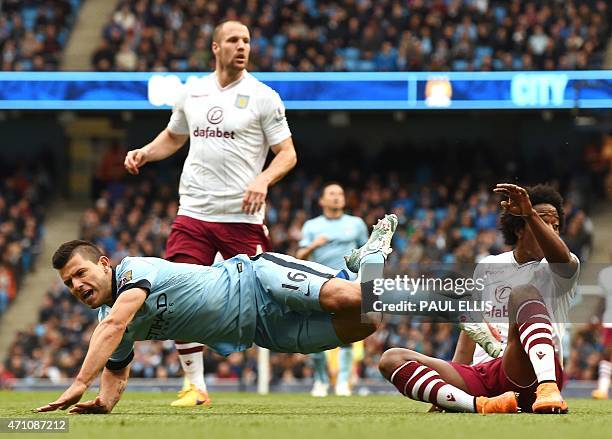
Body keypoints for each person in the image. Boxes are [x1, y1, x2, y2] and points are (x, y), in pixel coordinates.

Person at [36, 214, 402, 414]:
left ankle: (445, 300)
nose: (77, 286)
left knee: (352, 297)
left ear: (104, 264)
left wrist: (79, 382)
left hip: (258, 280)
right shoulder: (110, 322)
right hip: (262, 331)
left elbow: (115, 324)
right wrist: (102, 403)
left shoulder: (133, 272)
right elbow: (116, 371)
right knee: (369, 320)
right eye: (69, 284)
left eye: (81, 274)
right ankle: (372, 257)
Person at [123, 20, 297, 406]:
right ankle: (195, 386)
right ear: (215, 47)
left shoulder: (263, 96)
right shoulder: (193, 91)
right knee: (177, 293)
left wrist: (263, 181)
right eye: (234, 40)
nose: (242, 46)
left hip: (241, 217)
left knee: (258, 300)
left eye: (247, 41)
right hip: (194, 212)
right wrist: (145, 153)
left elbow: (287, 153)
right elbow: (174, 135)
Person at [378, 183, 579, 414]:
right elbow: (472, 326)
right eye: (545, 224)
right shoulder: (488, 266)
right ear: (519, 229)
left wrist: (531, 214)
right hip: (484, 376)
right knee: (391, 359)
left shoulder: (563, 267)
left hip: (529, 374)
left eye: (556, 227)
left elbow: (560, 258)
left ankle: (548, 389)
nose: (552, 232)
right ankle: (479, 405)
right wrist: (448, 387)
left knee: (523, 292)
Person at [297, 182, 368, 397]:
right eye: (331, 194)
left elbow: (368, 253)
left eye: (340, 193)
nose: (336, 197)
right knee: (314, 335)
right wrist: (313, 246)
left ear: (344, 200)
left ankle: (343, 382)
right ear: (322, 201)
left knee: (346, 335)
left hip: (348, 285)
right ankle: (320, 380)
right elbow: (299, 256)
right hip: (319, 284)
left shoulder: (356, 224)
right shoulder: (311, 226)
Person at [592, 252, 612, 399]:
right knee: (607, 354)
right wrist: (596, 317)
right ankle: (603, 388)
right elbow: (602, 299)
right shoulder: (605, 274)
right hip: (609, 320)